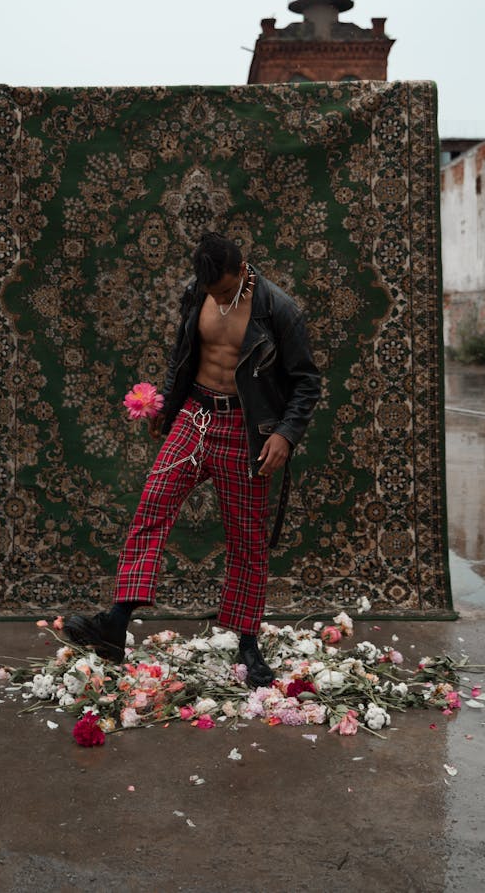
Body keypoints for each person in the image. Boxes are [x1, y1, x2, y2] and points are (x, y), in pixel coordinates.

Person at [64, 231, 321, 686]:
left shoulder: (278, 309)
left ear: (243, 270)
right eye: (210, 291)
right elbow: (183, 355)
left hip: (246, 429)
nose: (216, 297)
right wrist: (164, 402)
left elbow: (306, 382)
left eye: (223, 290)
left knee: (246, 538)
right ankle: (115, 625)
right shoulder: (195, 293)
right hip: (195, 416)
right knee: (152, 505)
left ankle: (248, 644)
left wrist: (286, 434)